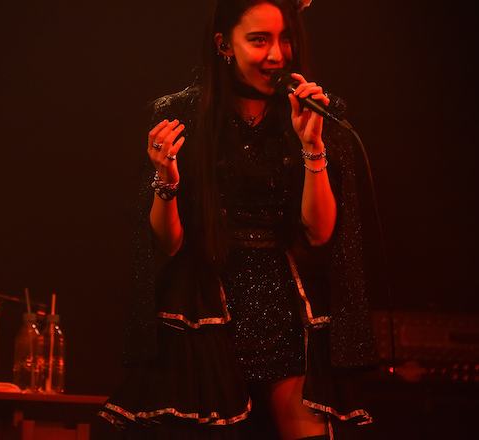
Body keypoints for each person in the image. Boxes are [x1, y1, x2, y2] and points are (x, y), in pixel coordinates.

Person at [100, 1, 377, 439]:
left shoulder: (313, 112)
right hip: (206, 307)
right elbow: (168, 244)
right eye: (259, 40)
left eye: (285, 39)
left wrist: (313, 146)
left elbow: (321, 232)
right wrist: (166, 180)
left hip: (286, 309)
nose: (276, 55)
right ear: (224, 44)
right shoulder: (182, 114)